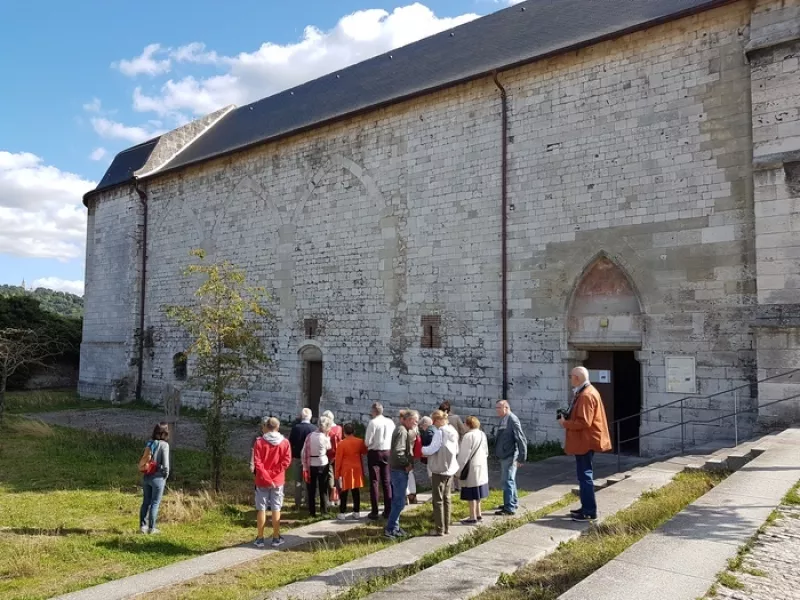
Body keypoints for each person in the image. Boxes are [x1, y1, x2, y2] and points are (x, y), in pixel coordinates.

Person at [559, 366, 611, 522]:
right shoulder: (585, 392)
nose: (570, 379)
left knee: (585, 476)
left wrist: (565, 423)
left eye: (571, 376)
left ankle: (589, 511)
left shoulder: (586, 395)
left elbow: (584, 422)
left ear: (577, 378)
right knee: (583, 475)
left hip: (585, 440)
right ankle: (586, 507)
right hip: (584, 440)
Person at [252, 417, 292, 548]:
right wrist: (274, 475)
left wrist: (267, 476)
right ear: (278, 427)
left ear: (266, 427)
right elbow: (286, 461)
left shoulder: (259, 442)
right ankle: (275, 536)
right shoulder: (285, 442)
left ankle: (260, 537)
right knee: (276, 508)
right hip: (278, 480)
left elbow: (257, 462)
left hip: (262, 479)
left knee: (261, 508)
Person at [422, 410, 459, 536]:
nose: (433, 423)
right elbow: (456, 449)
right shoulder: (452, 430)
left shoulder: (440, 432)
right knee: (447, 498)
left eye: (434, 420)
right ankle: (447, 527)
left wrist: (422, 449)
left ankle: (439, 528)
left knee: (437, 499)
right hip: (451, 468)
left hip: (440, 468)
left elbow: (433, 448)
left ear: (438, 420)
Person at [384, 409, 419, 539]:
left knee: (398, 501)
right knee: (399, 502)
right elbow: (398, 452)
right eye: (415, 421)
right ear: (408, 419)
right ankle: (390, 528)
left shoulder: (405, 430)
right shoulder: (402, 431)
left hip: (399, 469)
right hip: (399, 470)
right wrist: (407, 464)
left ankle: (395, 527)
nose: (416, 424)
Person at [494, 400, 527, 515]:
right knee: (510, 480)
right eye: (496, 408)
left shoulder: (512, 419)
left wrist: (522, 457)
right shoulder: (504, 419)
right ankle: (512, 502)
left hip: (510, 455)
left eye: (499, 408)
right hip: (505, 454)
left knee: (507, 480)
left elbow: (521, 438)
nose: (496, 410)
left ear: (506, 408)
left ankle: (509, 508)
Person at [364, 402, 395, 520]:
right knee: (387, 481)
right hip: (387, 451)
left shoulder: (373, 423)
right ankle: (388, 510)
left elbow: (367, 441)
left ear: (374, 411)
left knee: (374, 481)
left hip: (375, 452)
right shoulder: (390, 422)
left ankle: (375, 511)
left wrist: (370, 444)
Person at [139, 422, 170, 535]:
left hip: (146, 476)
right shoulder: (164, 445)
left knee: (145, 502)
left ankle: (143, 526)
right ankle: (152, 528)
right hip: (158, 478)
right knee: (155, 503)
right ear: (165, 433)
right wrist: (165, 476)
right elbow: (166, 465)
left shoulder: (150, 443)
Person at [457, 416, 489, 524]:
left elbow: (463, 456)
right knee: (478, 491)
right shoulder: (482, 434)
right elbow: (486, 451)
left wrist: (458, 470)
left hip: (471, 468)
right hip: (481, 465)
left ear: (468, 425)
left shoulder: (468, 436)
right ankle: (479, 514)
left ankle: (472, 516)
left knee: (471, 493)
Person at [335, 422, 368, 519]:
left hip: (345, 469)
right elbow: (364, 451)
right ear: (354, 431)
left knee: (344, 491)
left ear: (344, 432)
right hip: (357, 468)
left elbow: (338, 460)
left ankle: (342, 512)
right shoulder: (359, 441)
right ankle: (356, 511)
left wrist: (337, 474)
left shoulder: (341, 443)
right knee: (355, 490)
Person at [302, 415, 333, 517]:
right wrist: (327, 436)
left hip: (311, 463)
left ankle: (312, 511)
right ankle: (324, 511)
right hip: (322, 463)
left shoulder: (309, 436)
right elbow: (329, 447)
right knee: (323, 488)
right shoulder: (324, 438)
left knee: (311, 489)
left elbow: (304, 451)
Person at [289, 408, 316, 509]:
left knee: (298, 481)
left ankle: (297, 503)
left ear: (301, 416)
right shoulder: (314, 428)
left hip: (297, 457)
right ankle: (308, 501)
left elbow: (290, 442)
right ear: (311, 417)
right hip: (310, 458)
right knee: (308, 480)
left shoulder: (296, 428)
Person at [322, 410, 343, 505]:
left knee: (330, 477)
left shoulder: (327, 430)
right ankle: (339, 499)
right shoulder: (339, 428)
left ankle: (331, 499)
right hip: (338, 454)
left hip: (328, 455)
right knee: (338, 477)